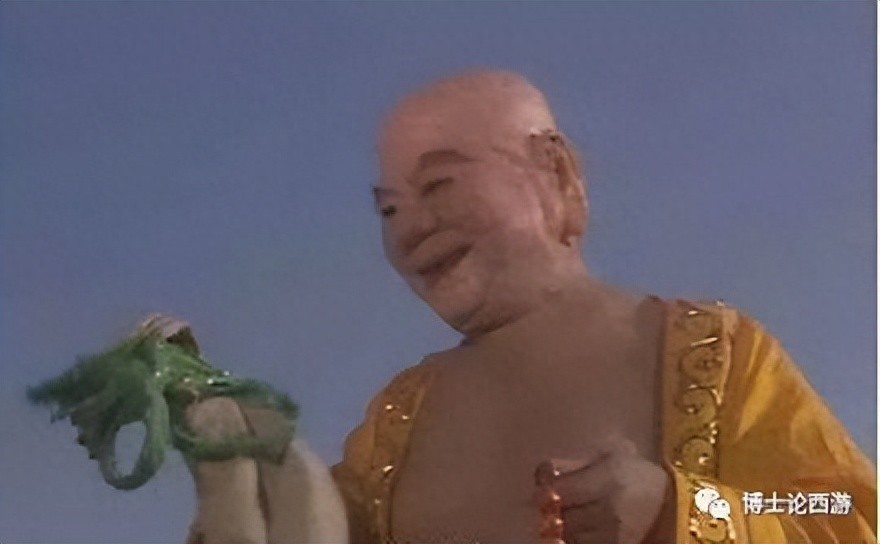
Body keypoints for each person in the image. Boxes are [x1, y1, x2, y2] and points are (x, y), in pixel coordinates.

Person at [180, 70, 876, 544]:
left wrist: (676, 508)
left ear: (555, 171)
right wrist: (235, 466)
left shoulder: (711, 352)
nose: (411, 227)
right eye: (388, 209)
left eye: (440, 185)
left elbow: (838, 509)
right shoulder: (397, 421)